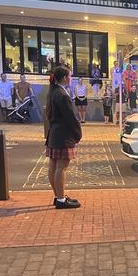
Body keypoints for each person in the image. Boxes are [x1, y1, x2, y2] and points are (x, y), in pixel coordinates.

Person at [45, 65, 82, 209]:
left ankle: (58, 196)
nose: (71, 78)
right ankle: (61, 200)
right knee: (61, 167)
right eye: (70, 76)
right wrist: (78, 133)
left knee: (53, 166)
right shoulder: (63, 94)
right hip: (63, 136)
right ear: (65, 77)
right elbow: (71, 118)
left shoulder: (53, 91)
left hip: (54, 133)